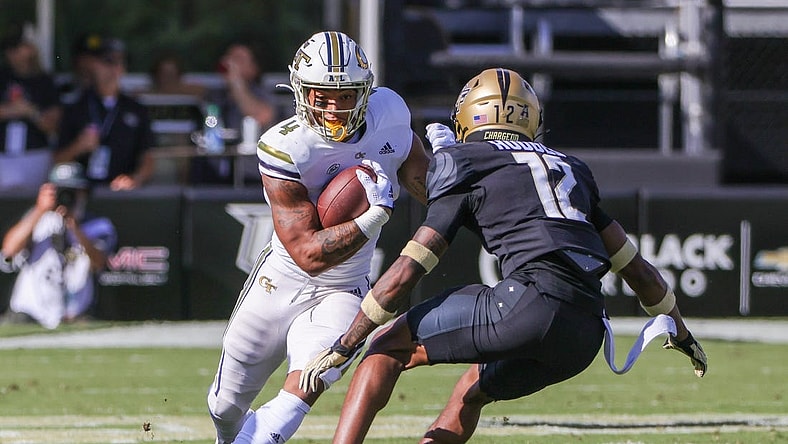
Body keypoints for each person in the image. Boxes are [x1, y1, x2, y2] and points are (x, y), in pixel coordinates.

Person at [300, 68, 709, 443]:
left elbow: (411, 266)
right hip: (584, 332)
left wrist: (348, 341)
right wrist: (683, 334)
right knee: (470, 392)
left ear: (467, 118)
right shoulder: (571, 168)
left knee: (386, 347)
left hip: (527, 304)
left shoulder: (464, 161)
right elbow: (639, 272)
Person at [206, 31, 430, 444]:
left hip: (345, 286)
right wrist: (374, 217)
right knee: (224, 406)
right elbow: (308, 254)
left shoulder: (391, 114)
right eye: (320, 94)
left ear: (365, 91)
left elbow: (420, 176)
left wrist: (453, 176)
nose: (332, 108)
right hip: (281, 279)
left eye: (344, 95)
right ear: (299, 91)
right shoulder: (286, 146)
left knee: (309, 377)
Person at [0, 162, 117, 329]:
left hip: (76, 312)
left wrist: (75, 228)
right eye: (61, 190)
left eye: (74, 191)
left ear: (84, 193)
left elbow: (99, 262)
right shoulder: (36, 220)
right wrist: (40, 210)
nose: (67, 197)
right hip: (29, 310)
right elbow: (9, 251)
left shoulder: (97, 225)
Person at [54, 36, 155, 191]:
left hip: (122, 192)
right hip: (82, 191)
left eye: (117, 63)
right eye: (106, 62)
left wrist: (135, 179)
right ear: (93, 66)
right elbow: (56, 160)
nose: (112, 69)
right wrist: (78, 146)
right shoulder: (76, 108)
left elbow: (148, 157)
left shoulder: (136, 109)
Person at [191, 42, 278, 185]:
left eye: (238, 59)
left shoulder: (263, 94)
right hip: (217, 174)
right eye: (229, 57)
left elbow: (261, 115)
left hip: (252, 176)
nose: (230, 62)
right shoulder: (216, 95)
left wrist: (236, 82)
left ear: (254, 68)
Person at [0, 23, 61, 154]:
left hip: (36, 152)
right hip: (3, 154)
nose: (13, 53)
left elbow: (53, 125)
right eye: (9, 48)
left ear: (32, 48)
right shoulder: (2, 77)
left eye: (18, 47)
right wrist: (11, 110)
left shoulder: (45, 82)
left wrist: (31, 112)